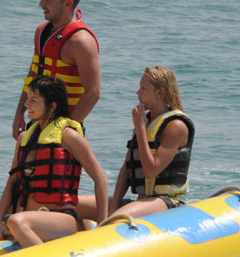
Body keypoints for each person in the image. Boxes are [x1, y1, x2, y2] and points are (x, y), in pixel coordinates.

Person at [0, 77, 107, 247]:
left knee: (16, 222)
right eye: (27, 99)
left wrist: (103, 226)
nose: (26, 104)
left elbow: (100, 179)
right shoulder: (25, 138)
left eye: (33, 100)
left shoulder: (69, 136)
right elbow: (12, 181)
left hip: (60, 217)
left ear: (52, 106)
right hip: (31, 217)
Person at [77, 66, 193, 221]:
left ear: (159, 93)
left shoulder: (176, 126)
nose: (138, 93)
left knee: (116, 219)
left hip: (166, 202)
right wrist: (112, 205)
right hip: (141, 200)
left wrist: (140, 128)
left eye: (143, 88)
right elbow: (126, 168)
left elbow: (151, 170)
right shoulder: (146, 121)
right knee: (72, 205)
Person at [12, 0, 101, 139]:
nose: (41, 4)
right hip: (38, 123)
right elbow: (33, 75)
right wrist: (19, 114)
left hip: (64, 129)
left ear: (68, 4)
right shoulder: (41, 32)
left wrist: (64, 130)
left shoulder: (81, 41)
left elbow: (93, 93)